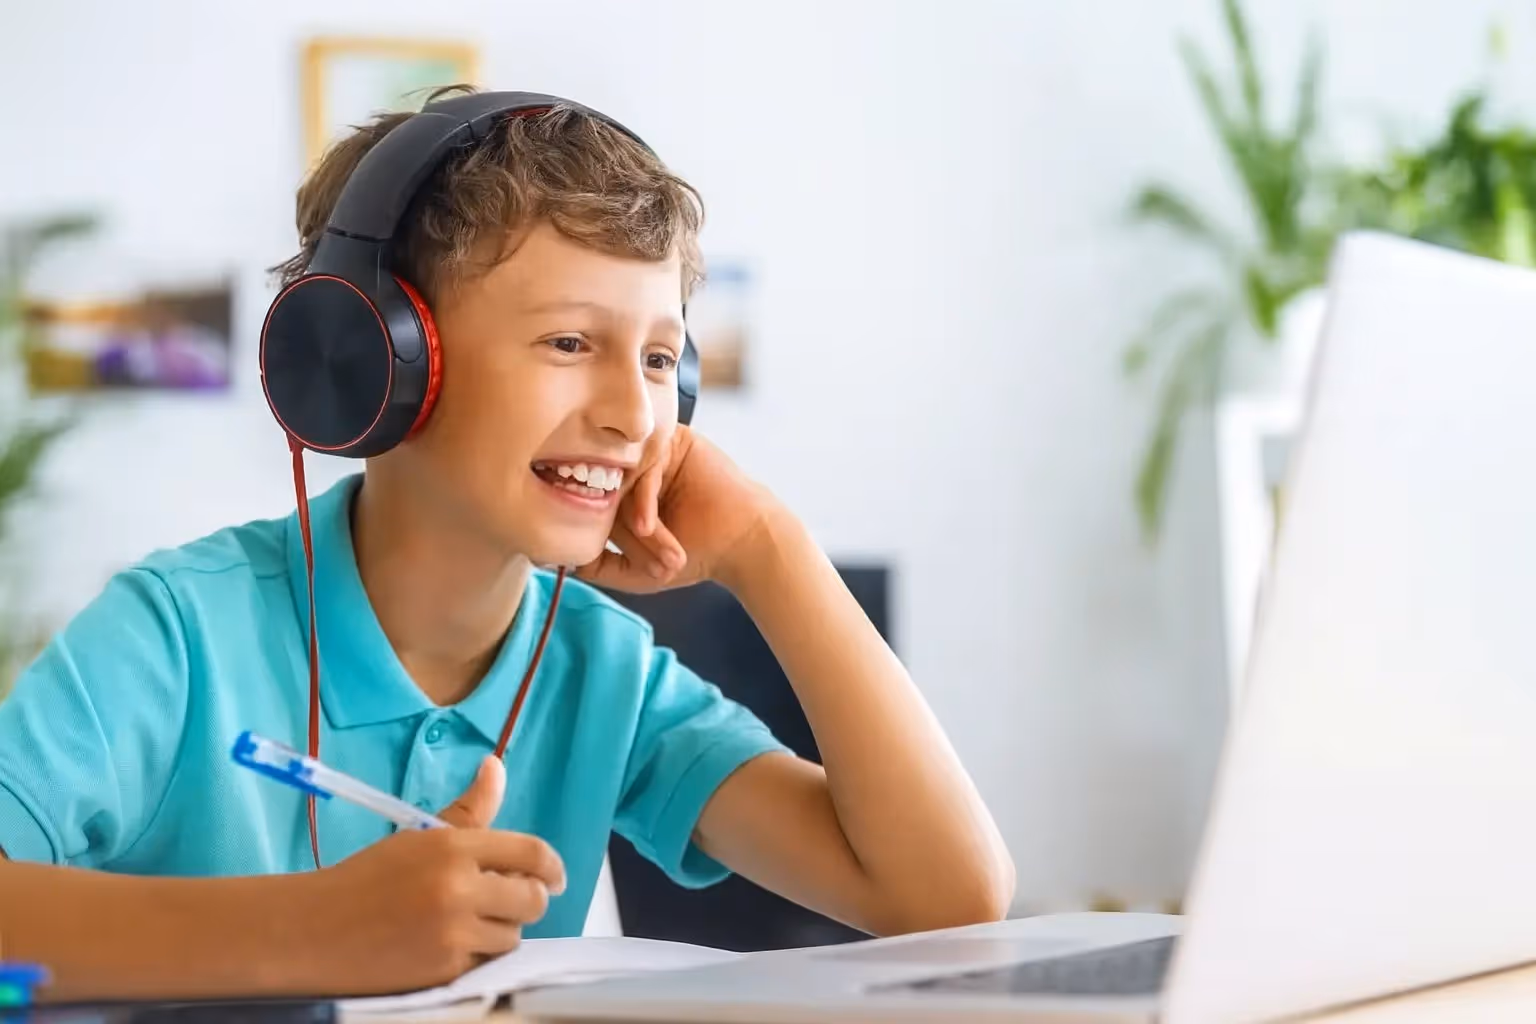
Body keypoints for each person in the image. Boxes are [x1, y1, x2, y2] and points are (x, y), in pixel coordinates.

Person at [0, 87, 1014, 1003]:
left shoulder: (601, 669)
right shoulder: (179, 635)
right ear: (380, 362)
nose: (632, 413)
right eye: (571, 342)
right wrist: (313, 929)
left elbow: (945, 898)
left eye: (661, 357)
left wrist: (768, 544)